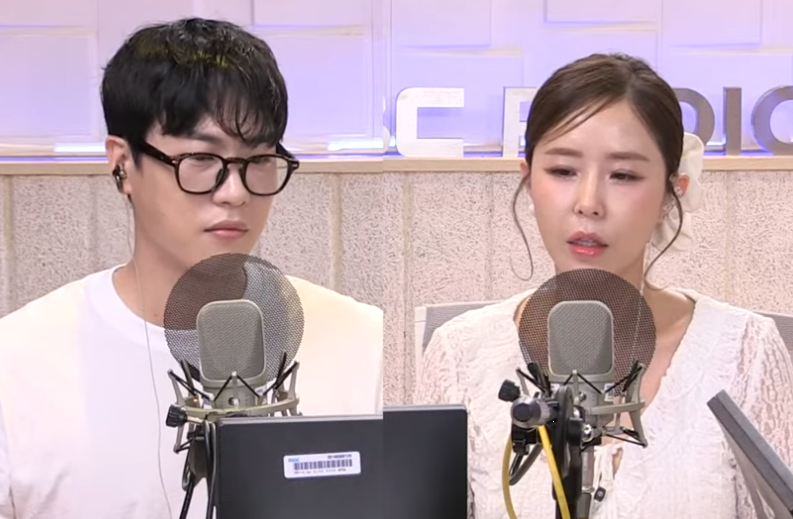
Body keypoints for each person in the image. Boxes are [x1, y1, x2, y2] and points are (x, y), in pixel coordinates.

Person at [0, 17, 383, 519]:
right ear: (122, 164)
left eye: (259, 159)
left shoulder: (356, 336)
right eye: (201, 159)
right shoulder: (18, 363)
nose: (235, 192)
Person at [415, 52, 793, 519]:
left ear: (671, 192)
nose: (589, 203)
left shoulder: (746, 351)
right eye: (563, 171)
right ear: (528, 180)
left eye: (624, 175)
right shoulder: (460, 353)